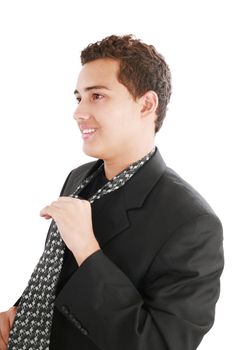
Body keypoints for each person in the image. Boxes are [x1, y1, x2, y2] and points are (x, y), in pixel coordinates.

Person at [0, 34, 224, 350]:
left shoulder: (193, 223)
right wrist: (17, 315)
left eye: (98, 96)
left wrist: (87, 251)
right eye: (78, 98)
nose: (78, 113)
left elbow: (160, 345)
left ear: (147, 104)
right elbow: (55, 278)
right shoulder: (78, 178)